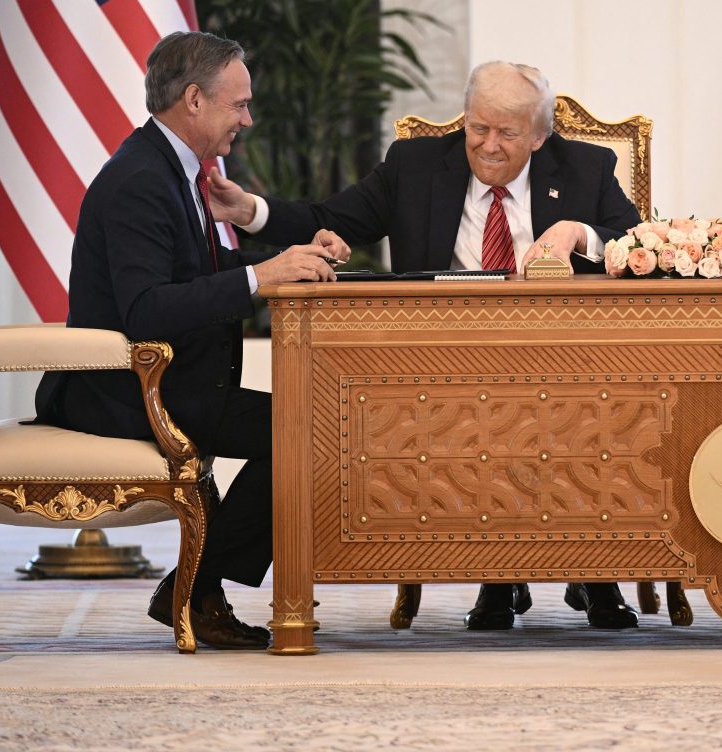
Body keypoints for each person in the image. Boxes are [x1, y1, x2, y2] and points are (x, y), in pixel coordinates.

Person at [208, 60, 643, 630]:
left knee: (573, 408)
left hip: (559, 356)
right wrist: (249, 211)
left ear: (539, 136)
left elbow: (637, 244)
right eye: (477, 128)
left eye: (507, 134)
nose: (487, 146)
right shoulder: (415, 166)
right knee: (484, 414)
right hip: (439, 359)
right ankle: (499, 577)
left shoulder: (586, 167)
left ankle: (594, 572)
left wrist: (577, 233)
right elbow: (329, 218)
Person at [35, 31, 349, 650]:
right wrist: (262, 277)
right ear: (195, 100)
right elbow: (147, 309)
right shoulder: (139, 180)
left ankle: (196, 589)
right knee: (308, 432)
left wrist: (290, 258)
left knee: (309, 424)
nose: (248, 119)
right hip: (126, 393)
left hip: (178, 384)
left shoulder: (173, 168)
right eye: (239, 105)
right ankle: (194, 589)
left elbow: (197, 273)